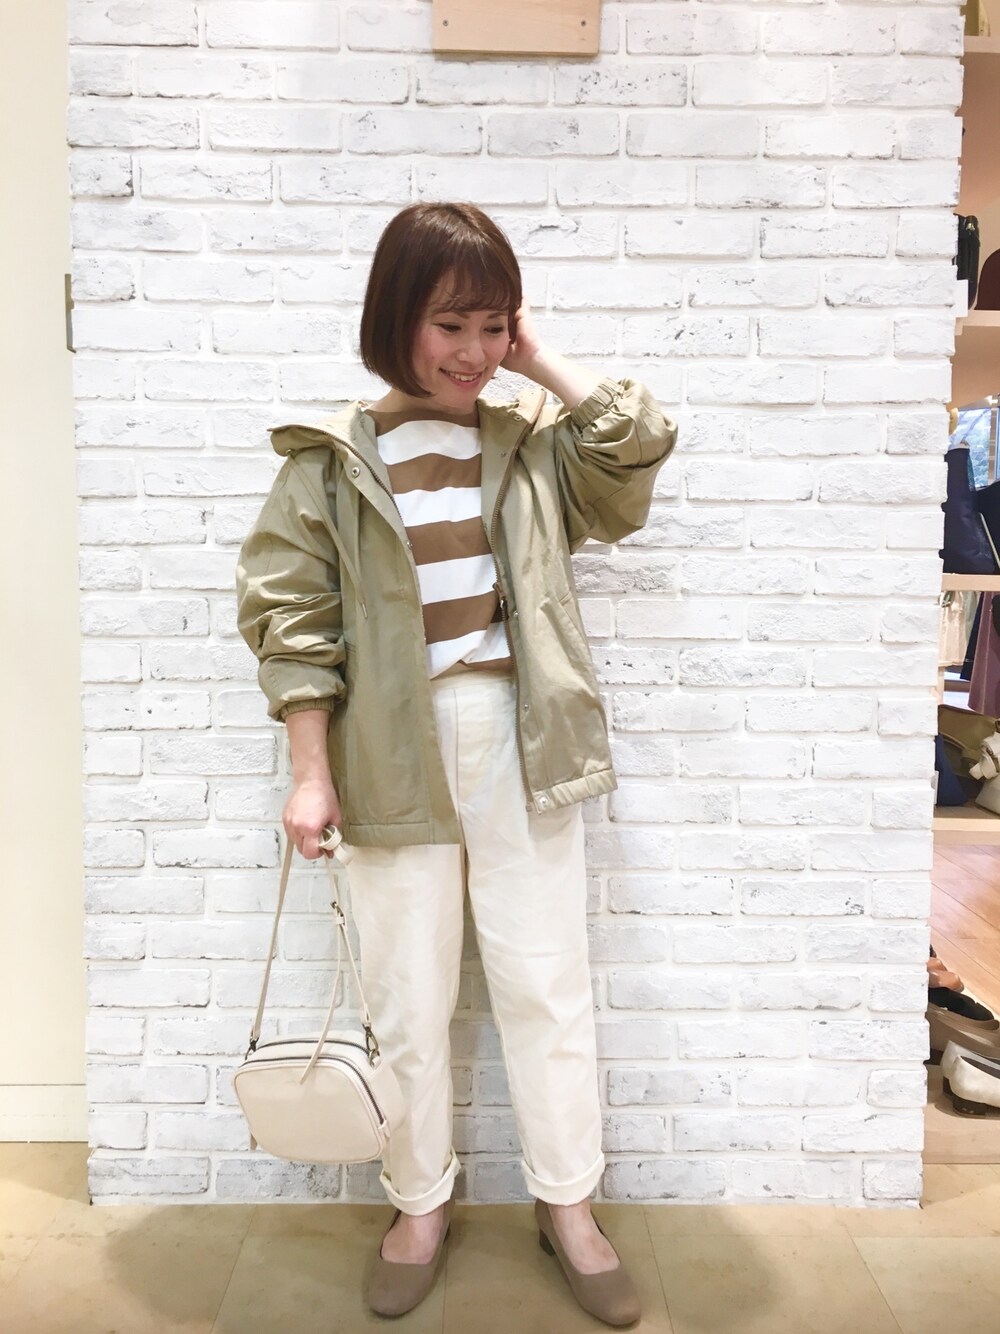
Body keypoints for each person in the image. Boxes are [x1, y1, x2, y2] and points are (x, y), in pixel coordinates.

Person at [235, 202, 678, 1326]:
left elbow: (636, 445)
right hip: (389, 743)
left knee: (545, 984)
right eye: (450, 324)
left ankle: (569, 1205)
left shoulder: (531, 442)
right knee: (408, 995)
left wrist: (541, 362)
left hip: (522, 739)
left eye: (494, 325)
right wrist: (310, 772)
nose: (475, 351)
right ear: (395, 317)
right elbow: (293, 624)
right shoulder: (330, 460)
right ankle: (419, 1203)